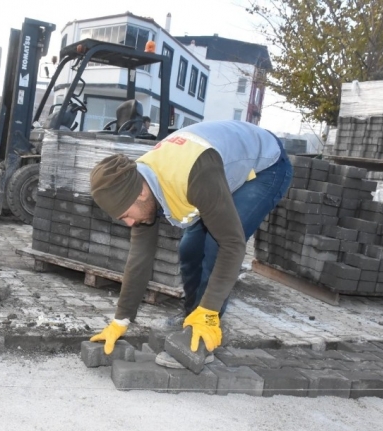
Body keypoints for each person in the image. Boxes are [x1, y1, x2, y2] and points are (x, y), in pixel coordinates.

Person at [88, 120, 293, 356]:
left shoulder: (191, 176)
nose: (129, 223)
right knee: (189, 249)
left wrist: (209, 310)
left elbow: (233, 244)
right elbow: (140, 256)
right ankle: (191, 318)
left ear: (141, 193)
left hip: (266, 165)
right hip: (219, 170)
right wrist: (121, 320)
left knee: (216, 246)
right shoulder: (141, 182)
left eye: (126, 215)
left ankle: (205, 325)